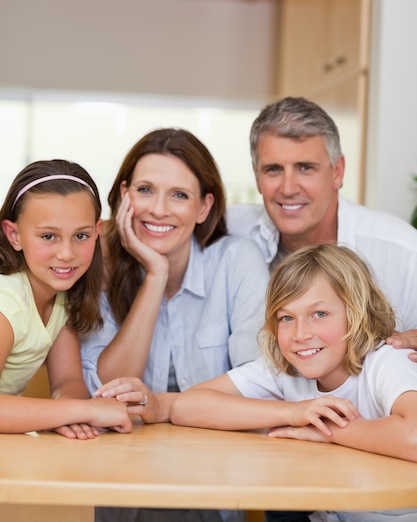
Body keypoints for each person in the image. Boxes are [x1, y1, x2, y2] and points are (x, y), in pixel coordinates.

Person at [105, 244, 417, 522]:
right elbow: (187, 406)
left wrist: (327, 429)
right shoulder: (286, 368)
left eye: (319, 313)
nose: (300, 334)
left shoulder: (386, 361)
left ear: (356, 313)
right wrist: (292, 412)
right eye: (286, 318)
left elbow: (414, 437)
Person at [80, 128, 270, 522]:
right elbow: (109, 390)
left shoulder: (237, 262)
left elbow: (259, 385)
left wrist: (164, 407)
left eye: (179, 195)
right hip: (121, 482)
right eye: (146, 190)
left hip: (212, 484)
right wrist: (155, 274)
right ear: (123, 196)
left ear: (204, 208)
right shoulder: (99, 266)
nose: (159, 209)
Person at [226, 96, 417, 358]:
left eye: (305, 168)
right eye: (273, 170)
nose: (289, 188)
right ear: (257, 178)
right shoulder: (230, 230)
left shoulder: (403, 253)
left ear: (337, 172)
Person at [0, 159, 131, 437]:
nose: (67, 253)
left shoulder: (61, 295)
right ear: (14, 235)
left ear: (97, 232)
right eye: (49, 236)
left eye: (81, 235)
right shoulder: (6, 301)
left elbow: (68, 379)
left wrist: (69, 409)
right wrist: (81, 411)